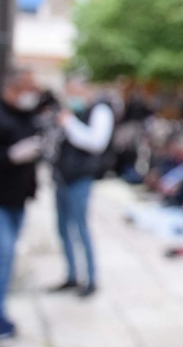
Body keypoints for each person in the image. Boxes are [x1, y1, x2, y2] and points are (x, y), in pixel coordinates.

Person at [0, 68, 42, 339]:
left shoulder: (24, 116)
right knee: (2, 256)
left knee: (3, 259)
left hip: (17, 199)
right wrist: (9, 155)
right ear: (10, 90)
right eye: (26, 90)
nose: (30, 96)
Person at [50, 77, 115, 298]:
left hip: (80, 179)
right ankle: (71, 274)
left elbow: (96, 142)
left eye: (75, 91)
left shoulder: (100, 111)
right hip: (62, 177)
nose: (72, 96)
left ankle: (90, 278)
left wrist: (69, 123)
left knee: (80, 228)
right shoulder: (70, 112)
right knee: (62, 228)